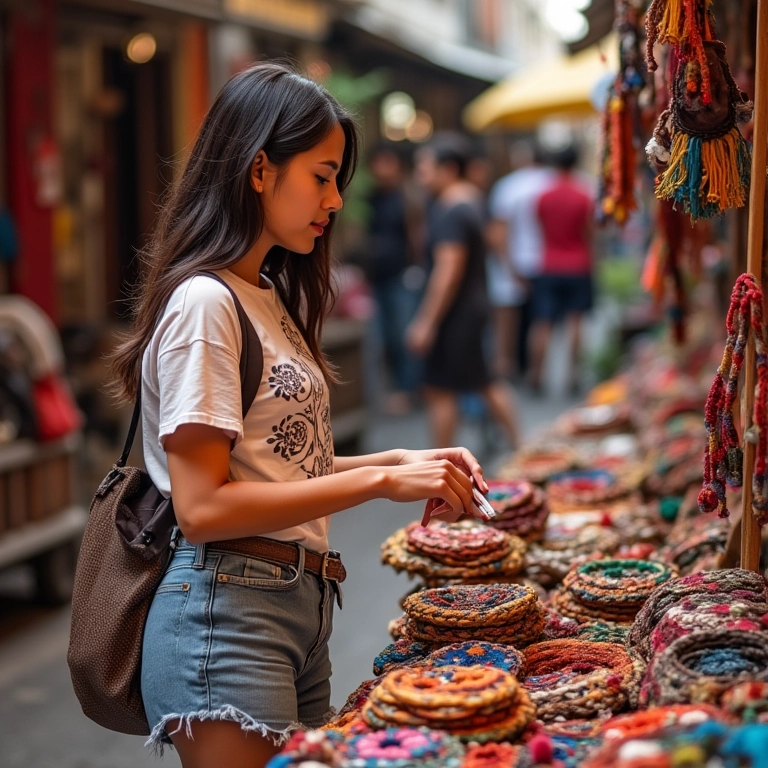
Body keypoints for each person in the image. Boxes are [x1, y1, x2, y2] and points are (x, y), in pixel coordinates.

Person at [109, 63, 489, 768]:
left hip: (293, 604)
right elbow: (204, 507)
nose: (336, 199)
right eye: (322, 176)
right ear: (259, 170)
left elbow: (276, 465)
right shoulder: (206, 303)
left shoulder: (262, 292)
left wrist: (398, 461)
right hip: (226, 612)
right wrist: (380, 483)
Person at [406, 135, 520, 450]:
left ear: (449, 169)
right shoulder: (470, 201)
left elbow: (448, 270)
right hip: (470, 307)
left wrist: (426, 321)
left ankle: (441, 464)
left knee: (442, 390)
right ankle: (520, 446)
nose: (420, 175)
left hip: (456, 312)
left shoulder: (453, 209)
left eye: (425, 168)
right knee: (482, 381)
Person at [528, 143, 595, 395]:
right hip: (578, 264)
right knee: (575, 321)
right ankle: (572, 375)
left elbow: (540, 227)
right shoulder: (583, 194)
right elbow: (589, 232)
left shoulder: (543, 196)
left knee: (542, 322)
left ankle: (536, 375)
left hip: (548, 264)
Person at [487, 140, 553, 383]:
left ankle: (506, 365)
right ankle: (536, 371)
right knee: (541, 320)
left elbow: (499, 232)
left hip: (514, 259)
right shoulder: (551, 182)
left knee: (507, 317)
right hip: (546, 261)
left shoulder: (508, 186)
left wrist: (508, 264)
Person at [364, 143, 423, 415]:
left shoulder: (408, 196)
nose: (382, 169)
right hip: (378, 275)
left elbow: (418, 234)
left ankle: (408, 389)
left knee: (404, 333)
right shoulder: (372, 197)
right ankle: (398, 386)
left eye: (387, 162)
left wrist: (417, 266)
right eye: (378, 163)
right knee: (384, 335)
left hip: (403, 275)